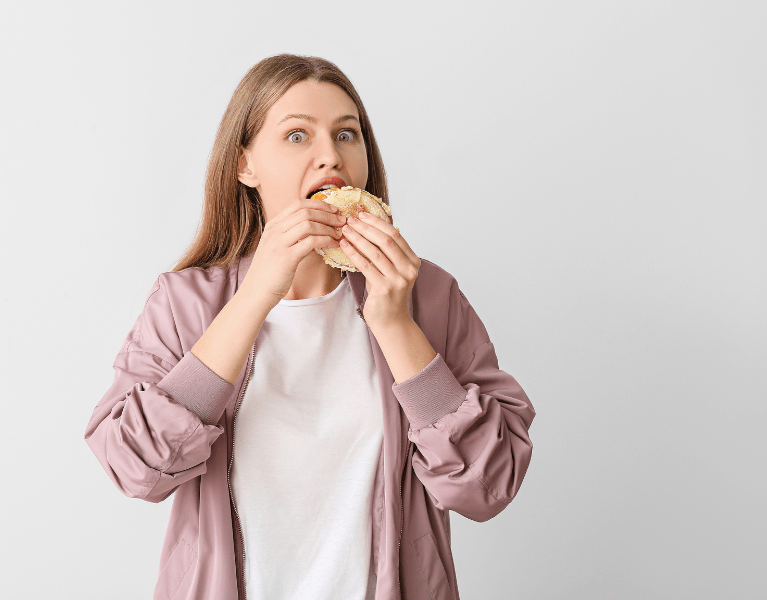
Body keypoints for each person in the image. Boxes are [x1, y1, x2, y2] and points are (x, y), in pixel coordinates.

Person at [84, 54, 536, 600]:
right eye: (297, 136)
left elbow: (488, 486)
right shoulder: (185, 302)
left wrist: (395, 324)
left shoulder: (429, 296)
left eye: (347, 134)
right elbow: (136, 467)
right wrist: (254, 298)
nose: (330, 157)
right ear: (244, 165)